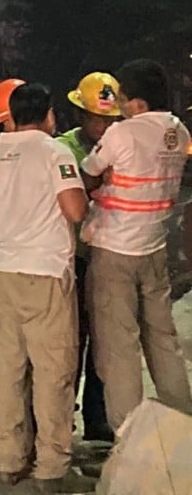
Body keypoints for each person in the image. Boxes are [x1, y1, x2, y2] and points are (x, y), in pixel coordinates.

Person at [0, 83, 96, 493]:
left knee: (9, 371)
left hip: (6, 275)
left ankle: (8, 462)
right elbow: (75, 209)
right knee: (53, 373)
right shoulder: (54, 152)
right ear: (48, 116)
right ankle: (51, 468)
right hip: (46, 276)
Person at [79, 59, 192, 432]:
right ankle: (181, 425)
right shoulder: (179, 132)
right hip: (154, 246)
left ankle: (129, 437)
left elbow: (89, 175)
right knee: (163, 340)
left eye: (124, 99)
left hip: (115, 250)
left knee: (119, 346)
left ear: (138, 103)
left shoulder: (122, 135)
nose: (121, 107)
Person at [56, 72, 120, 442]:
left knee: (104, 341)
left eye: (111, 119)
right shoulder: (62, 148)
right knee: (71, 341)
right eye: (98, 118)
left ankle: (98, 417)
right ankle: (64, 415)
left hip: (109, 255)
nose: (105, 126)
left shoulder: (122, 145)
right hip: (74, 257)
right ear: (80, 114)